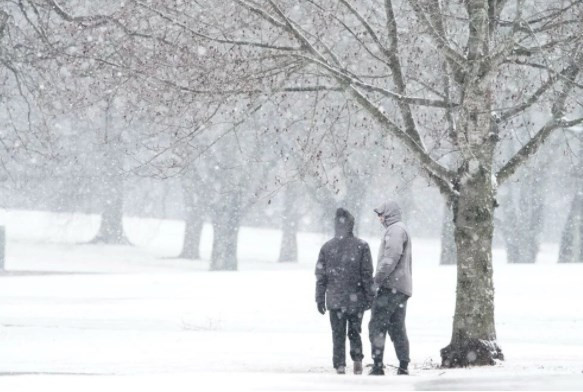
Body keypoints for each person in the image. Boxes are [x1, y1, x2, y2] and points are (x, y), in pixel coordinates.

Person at [315, 208, 375, 375]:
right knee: (355, 331)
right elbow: (366, 274)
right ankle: (357, 360)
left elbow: (321, 276)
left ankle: (340, 364)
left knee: (338, 333)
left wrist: (319, 298)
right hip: (356, 299)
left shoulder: (327, 247)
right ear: (352, 225)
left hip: (334, 299)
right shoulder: (362, 246)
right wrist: (370, 296)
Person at [368, 200, 412, 376]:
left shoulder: (395, 231)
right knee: (397, 326)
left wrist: (377, 280)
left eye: (381, 215)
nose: (379, 218)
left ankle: (378, 366)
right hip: (401, 288)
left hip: (391, 287)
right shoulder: (399, 229)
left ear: (389, 214)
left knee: (377, 325)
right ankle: (403, 365)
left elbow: (390, 258)